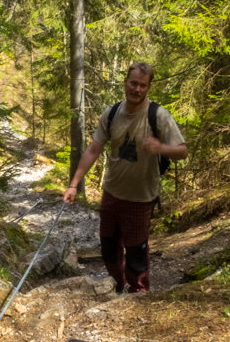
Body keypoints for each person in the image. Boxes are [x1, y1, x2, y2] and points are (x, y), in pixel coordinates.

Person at [63, 62, 188, 293]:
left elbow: (182, 151)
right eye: (133, 83)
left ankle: (139, 295)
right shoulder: (111, 114)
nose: (137, 89)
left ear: (149, 87)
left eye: (142, 85)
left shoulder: (158, 116)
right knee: (109, 249)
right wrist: (73, 185)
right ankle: (115, 287)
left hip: (141, 199)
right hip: (111, 194)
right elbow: (93, 150)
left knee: (136, 253)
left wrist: (161, 147)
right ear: (125, 82)